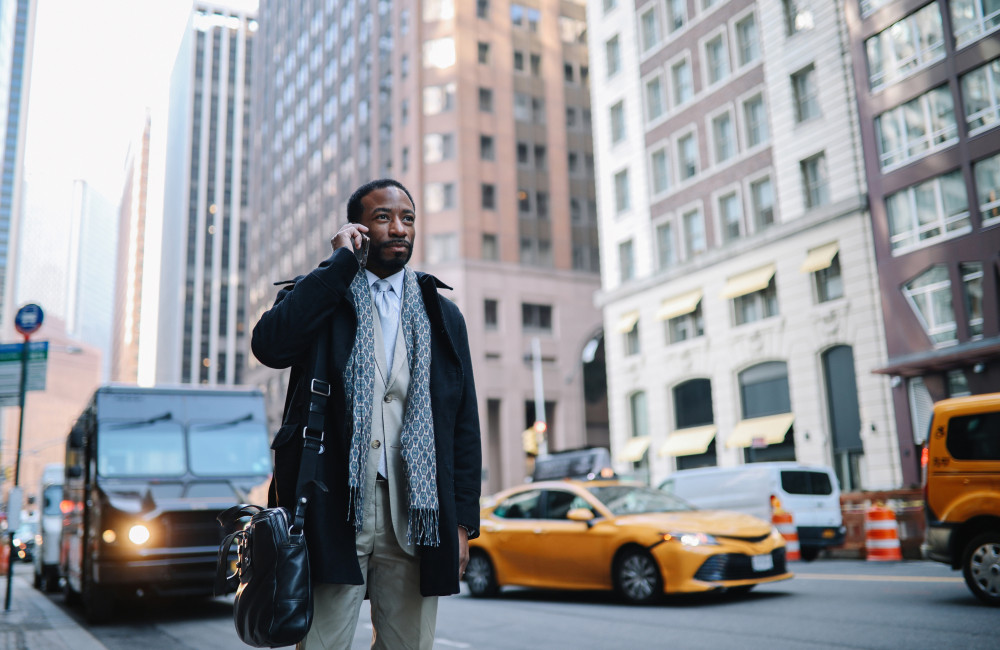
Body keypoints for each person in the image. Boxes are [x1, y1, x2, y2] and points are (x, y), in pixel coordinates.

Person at [251, 179, 482, 650]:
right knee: (321, 643)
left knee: (409, 644)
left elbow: (463, 424)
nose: (399, 228)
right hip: (333, 503)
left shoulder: (443, 314)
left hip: (418, 509)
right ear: (357, 228)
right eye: (383, 218)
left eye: (408, 218)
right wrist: (339, 265)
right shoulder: (321, 297)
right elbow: (270, 346)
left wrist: (462, 523)